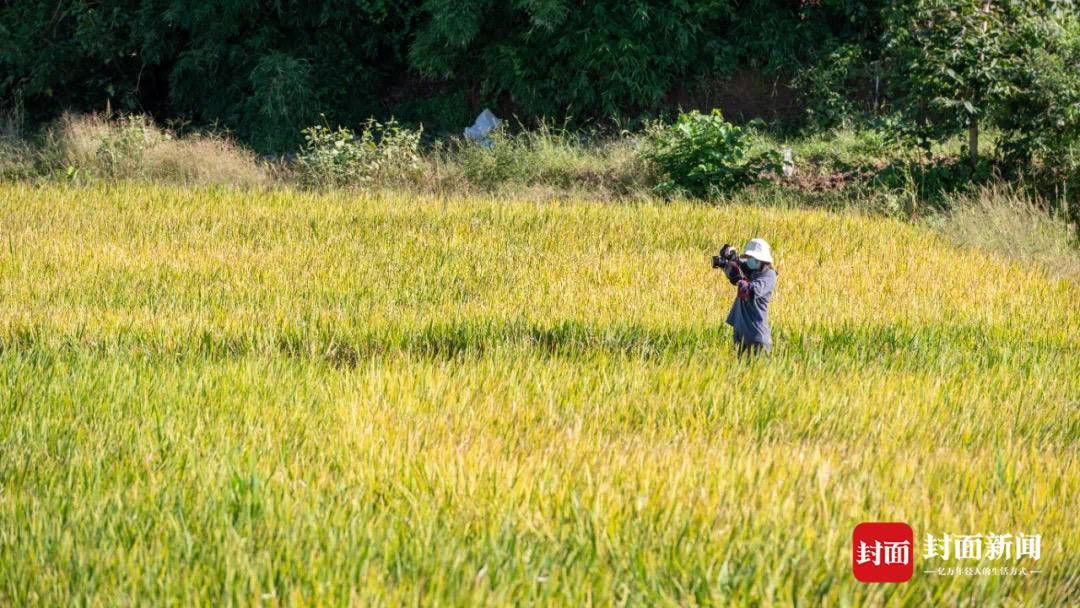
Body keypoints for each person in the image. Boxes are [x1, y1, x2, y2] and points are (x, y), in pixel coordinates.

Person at [725, 238, 776, 357]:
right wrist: (730, 258)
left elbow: (750, 291)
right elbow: (737, 266)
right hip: (740, 337)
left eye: (753, 258)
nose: (749, 260)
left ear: (762, 260)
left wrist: (739, 279)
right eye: (749, 257)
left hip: (757, 339)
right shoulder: (751, 271)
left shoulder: (769, 275)